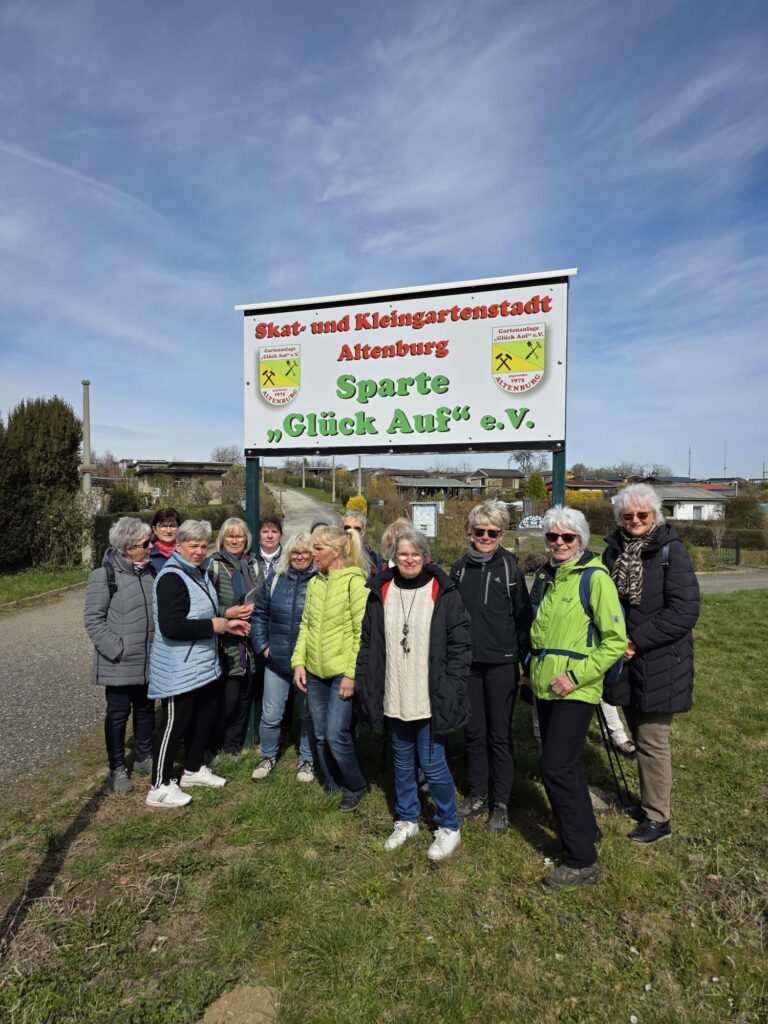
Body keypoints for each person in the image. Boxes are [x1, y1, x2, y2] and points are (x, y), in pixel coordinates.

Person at [521, 506, 626, 889]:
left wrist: (577, 676)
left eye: (568, 537)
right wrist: (529, 673)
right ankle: (587, 830)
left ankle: (581, 860)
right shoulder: (550, 577)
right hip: (545, 687)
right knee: (564, 766)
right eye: (553, 537)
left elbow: (614, 641)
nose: (560, 543)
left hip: (576, 690)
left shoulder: (594, 578)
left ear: (581, 539)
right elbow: (542, 633)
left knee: (556, 768)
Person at [356, 528, 471, 861]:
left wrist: (452, 687)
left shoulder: (443, 590)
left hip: (430, 694)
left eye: (415, 554)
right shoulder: (381, 590)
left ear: (426, 557)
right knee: (402, 762)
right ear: (393, 556)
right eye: (402, 553)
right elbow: (368, 642)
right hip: (394, 691)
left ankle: (449, 825)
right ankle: (407, 819)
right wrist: (365, 679)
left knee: (433, 764)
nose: (409, 559)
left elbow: (460, 644)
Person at [603, 483, 700, 844]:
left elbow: (685, 611)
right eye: (627, 515)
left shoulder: (671, 551)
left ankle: (659, 818)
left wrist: (636, 641)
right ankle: (647, 804)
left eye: (642, 514)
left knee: (652, 739)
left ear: (654, 515)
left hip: (661, 660)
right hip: (626, 659)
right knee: (637, 730)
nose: (635, 520)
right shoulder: (614, 552)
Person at [146, 520, 250, 808]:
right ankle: (159, 785)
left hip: (203, 664)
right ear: (178, 546)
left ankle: (191, 770)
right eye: (193, 546)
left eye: (203, 546)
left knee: (203, 718)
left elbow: (205, 613)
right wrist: (213, 626)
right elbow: (171, 626)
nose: (199, 551)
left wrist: (228, 625)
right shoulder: (171, 577)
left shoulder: (198, 573)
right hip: (179, 667)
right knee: (174, 725)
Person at [450, 500, 532, 834]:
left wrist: (526, 665)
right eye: (480, 531)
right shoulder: (458, 569)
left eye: (493, 532)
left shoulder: (510, 568)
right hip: (469, 664)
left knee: (499, 735)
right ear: (470, 533)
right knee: (473, 733)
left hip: (502, 664)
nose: (485, 537)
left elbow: (523, 619)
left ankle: (501, 803)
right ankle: (477, 794)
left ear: (501, 534)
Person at [291, 525, 369, 811]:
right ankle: (333, 782)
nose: (313, 554)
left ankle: (356, 784)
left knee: (336, 733)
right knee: (321, 734)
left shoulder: (355, 583)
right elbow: (306, 626)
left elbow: (362, 633)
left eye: (318, 548)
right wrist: (298, 662)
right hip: (314, 671)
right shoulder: (314, 583)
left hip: (340, 674)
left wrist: (351, 673)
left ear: (335, 552)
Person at [84, 517, 156, 793]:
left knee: (146, 709)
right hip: (119, 662)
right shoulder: (104, 576)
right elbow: (93, 620)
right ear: (128, 548)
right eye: (146, 543)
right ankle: (117, 768)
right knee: (117, 714)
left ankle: (143, 756)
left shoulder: (150, 573)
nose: (151, 547)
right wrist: (118, 650)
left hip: (146, 659)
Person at [251, 532, 317, 783]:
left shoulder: (320, 581)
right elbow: (259, 615)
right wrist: (264, 648)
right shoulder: (275, 580)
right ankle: (267, 756)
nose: (300, 557)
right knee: (271, 714)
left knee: (307, 714)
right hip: (276, 660)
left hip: (307, 663)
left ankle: (307, 760)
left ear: (312, 554)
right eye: (295, 552)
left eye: (305, 552)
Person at [207, 518, 262, 757]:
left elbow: (262, 592)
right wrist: (227, 613)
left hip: (248, 639)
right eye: (230, 536)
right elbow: (204, 604)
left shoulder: (253, 564)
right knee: (226, 699)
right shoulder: (214, 565)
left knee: (243, 697)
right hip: (224, 641)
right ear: (222, 539)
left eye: (239, 536)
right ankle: (212, 745)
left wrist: (255, 607)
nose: (235, 540)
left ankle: (232, 747)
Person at [342, 510, 383, 576]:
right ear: (341, 529)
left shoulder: (374, 559)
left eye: (357, 529)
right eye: (347, 527)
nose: (352, 531)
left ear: (363, 532)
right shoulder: (333, 555)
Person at [148, 507, 182, 572]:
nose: (168, 531)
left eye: (173, 526)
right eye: (163, 526)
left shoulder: (186, 552)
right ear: (154, 530)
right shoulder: (147, 554)